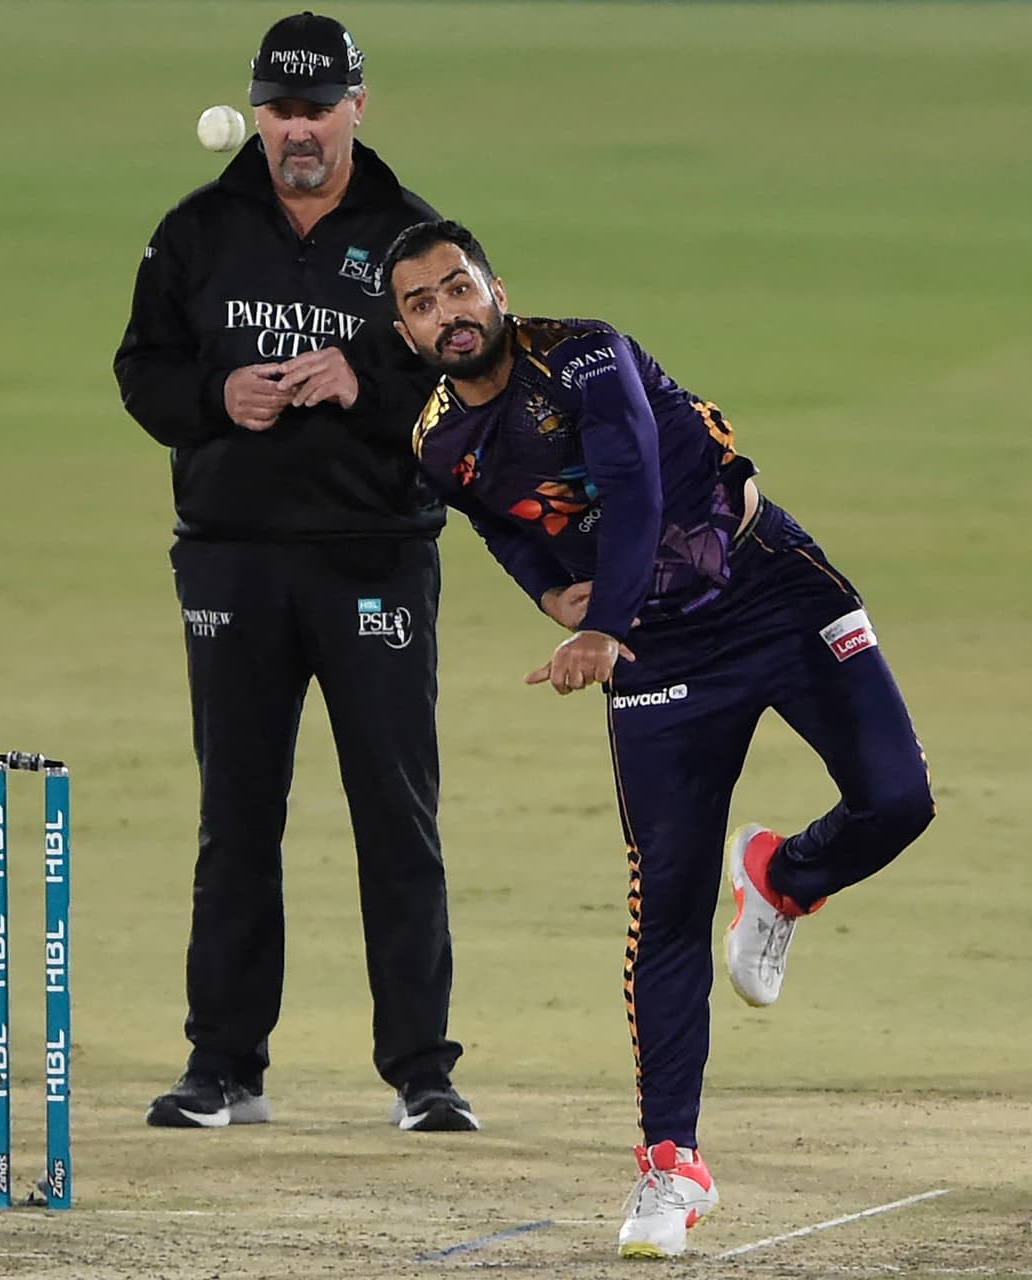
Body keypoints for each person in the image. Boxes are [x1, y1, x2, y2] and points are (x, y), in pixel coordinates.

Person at [384, 220, 936, 1255]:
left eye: (458, 288)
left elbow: (634, 482)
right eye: (420, 303)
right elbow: (496, 517)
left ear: (496, 289)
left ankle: (783, 873)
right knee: (669, 902)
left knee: (900, 798)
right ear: (405, 328)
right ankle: (670, 1164)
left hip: (768, 581)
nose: (446, 313)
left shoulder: (587, 353)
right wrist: (554, 595)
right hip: (658, 657)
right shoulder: (438, 443)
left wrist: (603, 621)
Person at [112, 14, 476, 1133]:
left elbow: (471, 373)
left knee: (396, 819)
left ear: (359, 108)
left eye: (319, 110)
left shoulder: (418, 242)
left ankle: (422, 1071)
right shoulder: (198, 232)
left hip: (374, 558)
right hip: (232, 558)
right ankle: (224, 1065)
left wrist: (361, 380)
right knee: (236, 818)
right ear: (257, 110)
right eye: (280, 110)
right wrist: (220, 398)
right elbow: (143, 370)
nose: (298, 131)